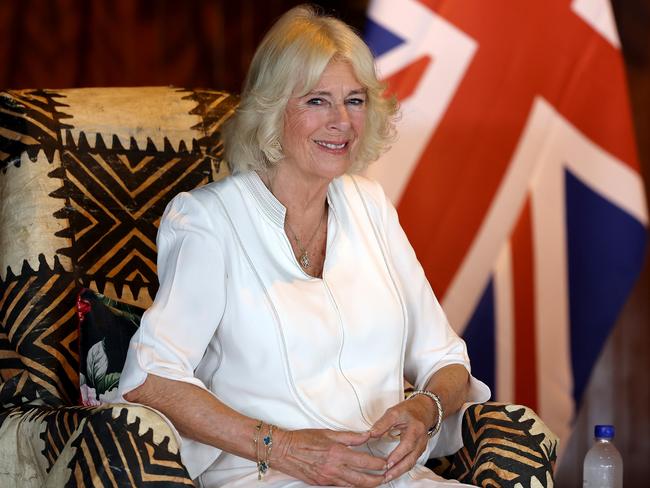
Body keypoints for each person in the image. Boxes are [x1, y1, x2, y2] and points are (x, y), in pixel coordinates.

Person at [118, 4, 490, 487]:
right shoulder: (209, 220)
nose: (342, 122)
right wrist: (287, 448)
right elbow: (151, 378)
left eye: (354, 100)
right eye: (317, 101)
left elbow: (446, 360)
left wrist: (425, 407)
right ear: (272, 110)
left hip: (390, 476)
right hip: (267, 476)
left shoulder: (370, 205)